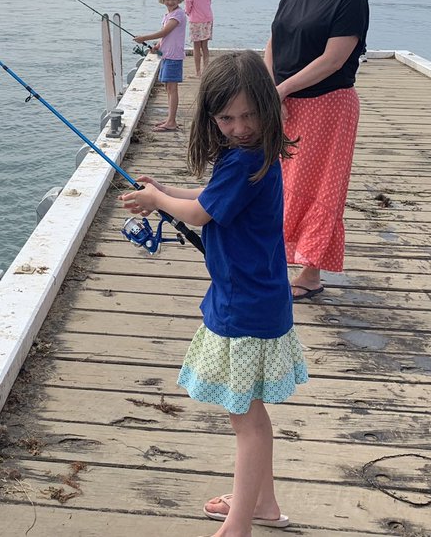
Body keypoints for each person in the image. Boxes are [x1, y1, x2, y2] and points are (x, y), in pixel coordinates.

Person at [121, 50, 307, 535]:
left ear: (268, 107)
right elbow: (206, 202)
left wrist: (155, 199)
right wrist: (167, 192)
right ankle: (261, 502)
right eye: (227, 117)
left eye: (249, 115)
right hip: (254, 297)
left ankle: (240, 524)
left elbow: (200, 215)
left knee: (245, 420)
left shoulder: (246, 160)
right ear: (211, 117)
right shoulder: (252, 156)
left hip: (244, 306)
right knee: (251, 412)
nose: (240, 126)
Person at [265, 0, 369, 301]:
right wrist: (268, 89)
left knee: (319, 187)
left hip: (327, 105)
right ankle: (275, 256)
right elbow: (273, 41)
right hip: (283, 99)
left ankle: (309, 272)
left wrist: (282, 91)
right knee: (275, 181)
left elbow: (333, 59)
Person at [133, 0, 187, 131]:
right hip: (166, 55)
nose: (170, 2)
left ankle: (171, 122)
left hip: (174, 56)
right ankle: (170, 118)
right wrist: (157, 46)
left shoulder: (178, 15)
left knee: (172, 88)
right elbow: (165, 37)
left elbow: (164, 32)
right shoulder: (168, 15)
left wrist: (144, 37)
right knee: (167, 88)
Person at [181, 0, 214, 76]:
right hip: (208, 18)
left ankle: (198, 71)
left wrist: (187, 13)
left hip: (195, 20)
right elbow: (209, 1)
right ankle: (206, 69)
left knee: (196, 47)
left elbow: (188, 5)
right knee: (205, 47)